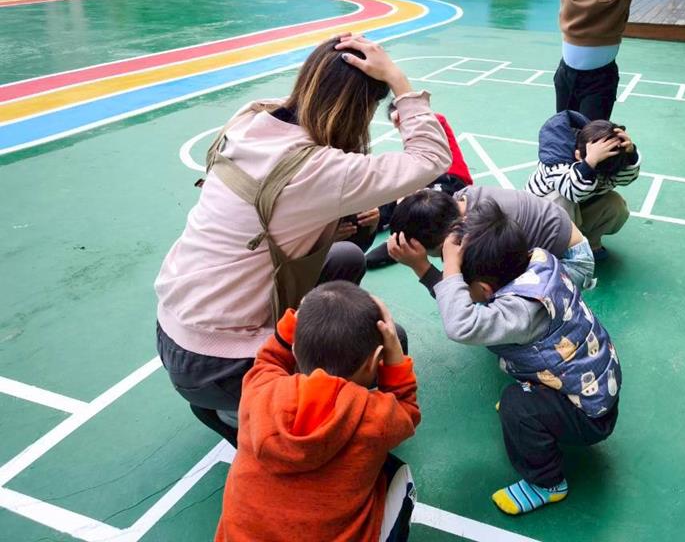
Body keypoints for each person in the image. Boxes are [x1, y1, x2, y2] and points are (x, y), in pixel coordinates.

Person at [155, 35, 450, 446]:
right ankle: (269, 417)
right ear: (359, 110)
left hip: (174, 330)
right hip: (220, 363)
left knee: (345, 257)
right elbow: (431, 159)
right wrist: (398, 81)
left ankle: (237, 402)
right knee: (386, 341)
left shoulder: (251, 117)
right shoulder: (318, 169)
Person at [433, 202, 621, 516]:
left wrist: (450, 267)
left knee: (516, 406)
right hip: (596, 384)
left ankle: (547, 483)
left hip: (589, 415)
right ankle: (546, 411)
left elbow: (459, 325)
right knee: (518, 381)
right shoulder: (539, 260)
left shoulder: (519, 311)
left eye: (462, 287)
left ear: (484, 289)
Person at [216, 282, 419, 542]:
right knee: (399, 476)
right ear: (375, 359)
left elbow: (268, 359)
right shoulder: (374, 416)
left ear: (294, 348)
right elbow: (407, 409)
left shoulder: (259, 391)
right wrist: (395, 352)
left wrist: (295, 321)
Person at [385, 186, 597, 293]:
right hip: (561, 243)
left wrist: (421, 267)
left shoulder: (477, 238)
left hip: (572, 264)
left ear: (444, 242)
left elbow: (460, 301)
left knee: (496, 307)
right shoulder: (459, 200)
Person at [364, 101, 473, 268]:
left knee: (424, 207)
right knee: (393, 199)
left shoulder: (433, 129)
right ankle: (373, 221)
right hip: (425, 177)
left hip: (451, 180)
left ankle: (400, 242)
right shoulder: (413, 142)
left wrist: (409, 115)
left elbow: (436, 120)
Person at [525, 111, 640, 260]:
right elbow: (572, 191)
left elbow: (625, 179)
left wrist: (630, 154)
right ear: (578, 155)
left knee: (615, 204)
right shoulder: (555, 160)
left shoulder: (606, 161)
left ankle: (589, 243)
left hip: (577, 205)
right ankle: (552, 252)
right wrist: (590, 163)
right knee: (561, 201)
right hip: (536, 220)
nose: (606, 177)